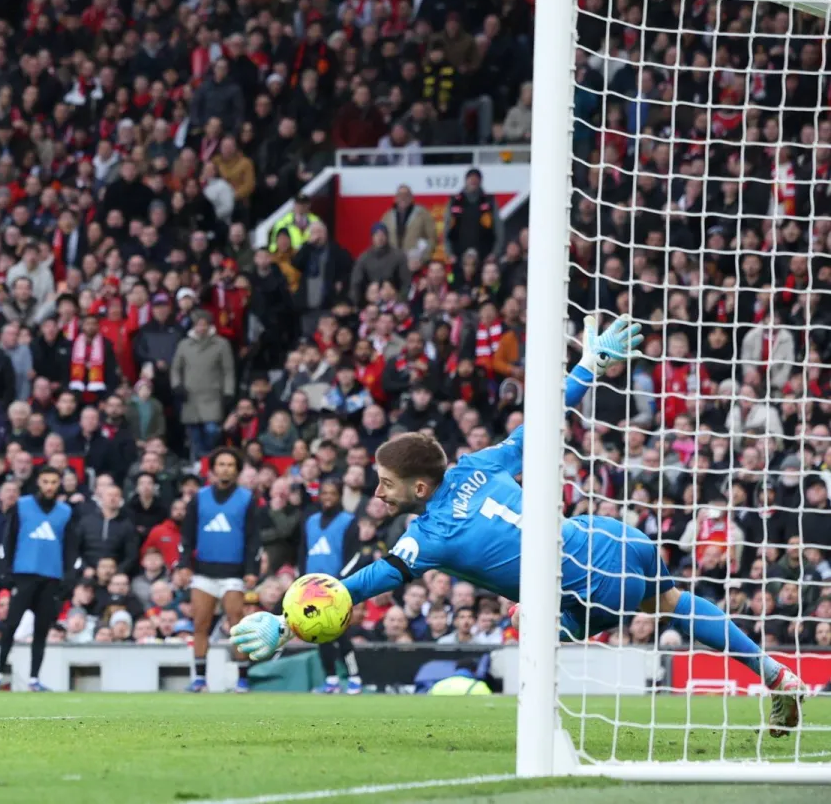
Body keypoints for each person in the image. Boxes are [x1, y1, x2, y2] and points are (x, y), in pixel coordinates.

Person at [233, 315, 807, 735]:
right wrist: (587, 366)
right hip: (610, 535)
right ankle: (777, 677)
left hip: (589, 583)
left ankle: (550, 723)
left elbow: (363, 585)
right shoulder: (477, 465)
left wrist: (286, 626)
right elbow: (542, 425)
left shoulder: (426, 538)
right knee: (669, 602)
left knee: (533, 620)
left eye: (386, 483)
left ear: (420, 489)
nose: (377, 491)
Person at [0, 467, 81, 692]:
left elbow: (70, 548)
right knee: (11, 625)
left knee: (41, 629)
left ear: (59, 484)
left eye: (54, 482)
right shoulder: (23, 505)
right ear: (38, 482)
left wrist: (69, 577)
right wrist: (5, 570)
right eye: (45, 481)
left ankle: (33, 679)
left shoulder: (65, 512)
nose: (49, 486)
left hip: (51, 577)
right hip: (24, 574)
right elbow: (7, 540)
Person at [180, 447, 262, 693]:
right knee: (200, 625)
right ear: (213, 469)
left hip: (234, 573)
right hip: (204, 573)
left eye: (230, 465)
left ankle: (242, 679)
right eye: (221, 464)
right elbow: (187, 535)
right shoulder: (200, 497)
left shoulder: (247, 499)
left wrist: (251, 569)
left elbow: (253, 538)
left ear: (236, 470)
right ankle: (200, 679)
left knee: (237, 625)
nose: (225, 468)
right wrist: (184, 564)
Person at [299, 481, 361, 694]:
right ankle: (331, 679)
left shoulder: (348, 521)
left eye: (332, 493)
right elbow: (303, 554)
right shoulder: (310, 522)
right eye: (324, 493)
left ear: (339, 496)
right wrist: (301, 582)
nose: (327, 497)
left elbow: (355, 555)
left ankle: (355, 677)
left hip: (336, 589)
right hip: (312, 590)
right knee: (320, 635)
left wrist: (340, 582)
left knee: (341, 634)